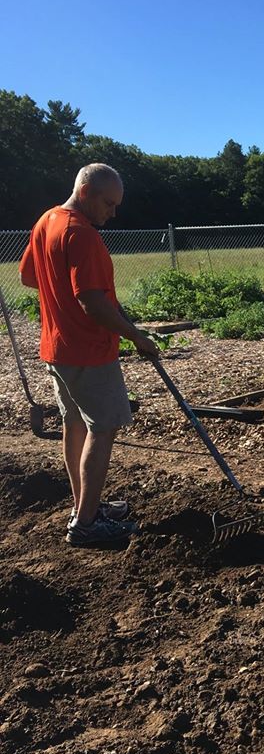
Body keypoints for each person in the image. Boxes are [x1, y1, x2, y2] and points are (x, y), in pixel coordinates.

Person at [19, 163, 159, 546]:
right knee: (103, 427)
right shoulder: (81, 234)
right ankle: (85, 525)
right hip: (89, 352)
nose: (112, 213)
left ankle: (85, 505)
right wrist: (137, 337)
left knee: (74, 424)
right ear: (85, 192)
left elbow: (29, 277)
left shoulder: (47, 221)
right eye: (108, 204)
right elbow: (93, 304)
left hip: (57, 348)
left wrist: (59, 299)